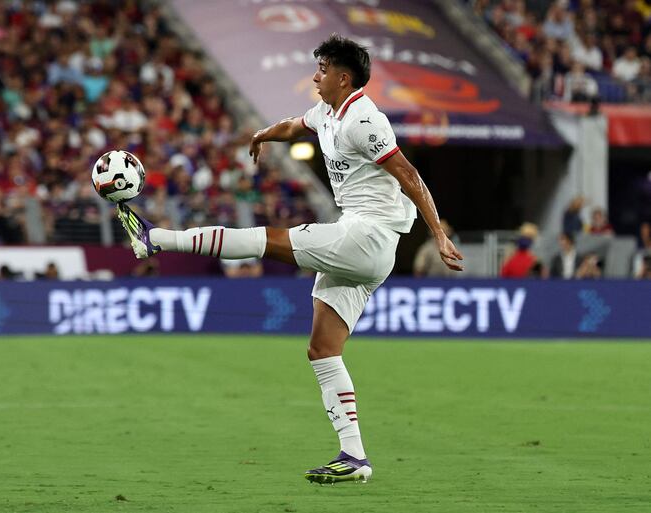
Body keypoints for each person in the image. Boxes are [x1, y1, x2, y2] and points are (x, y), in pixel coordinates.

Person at [116, 34, 463, 484]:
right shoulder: (328, 112)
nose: (315, 76)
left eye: (322, 70)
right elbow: (297, 126)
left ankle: (156, 238)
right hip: (361, 245)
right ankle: (354, 457)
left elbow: (410, 176)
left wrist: (438, 235)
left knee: (264, 239)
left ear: (344, 77)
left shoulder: (364, 120)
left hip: (366, 236)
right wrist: (264, 134)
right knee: (323, 349)